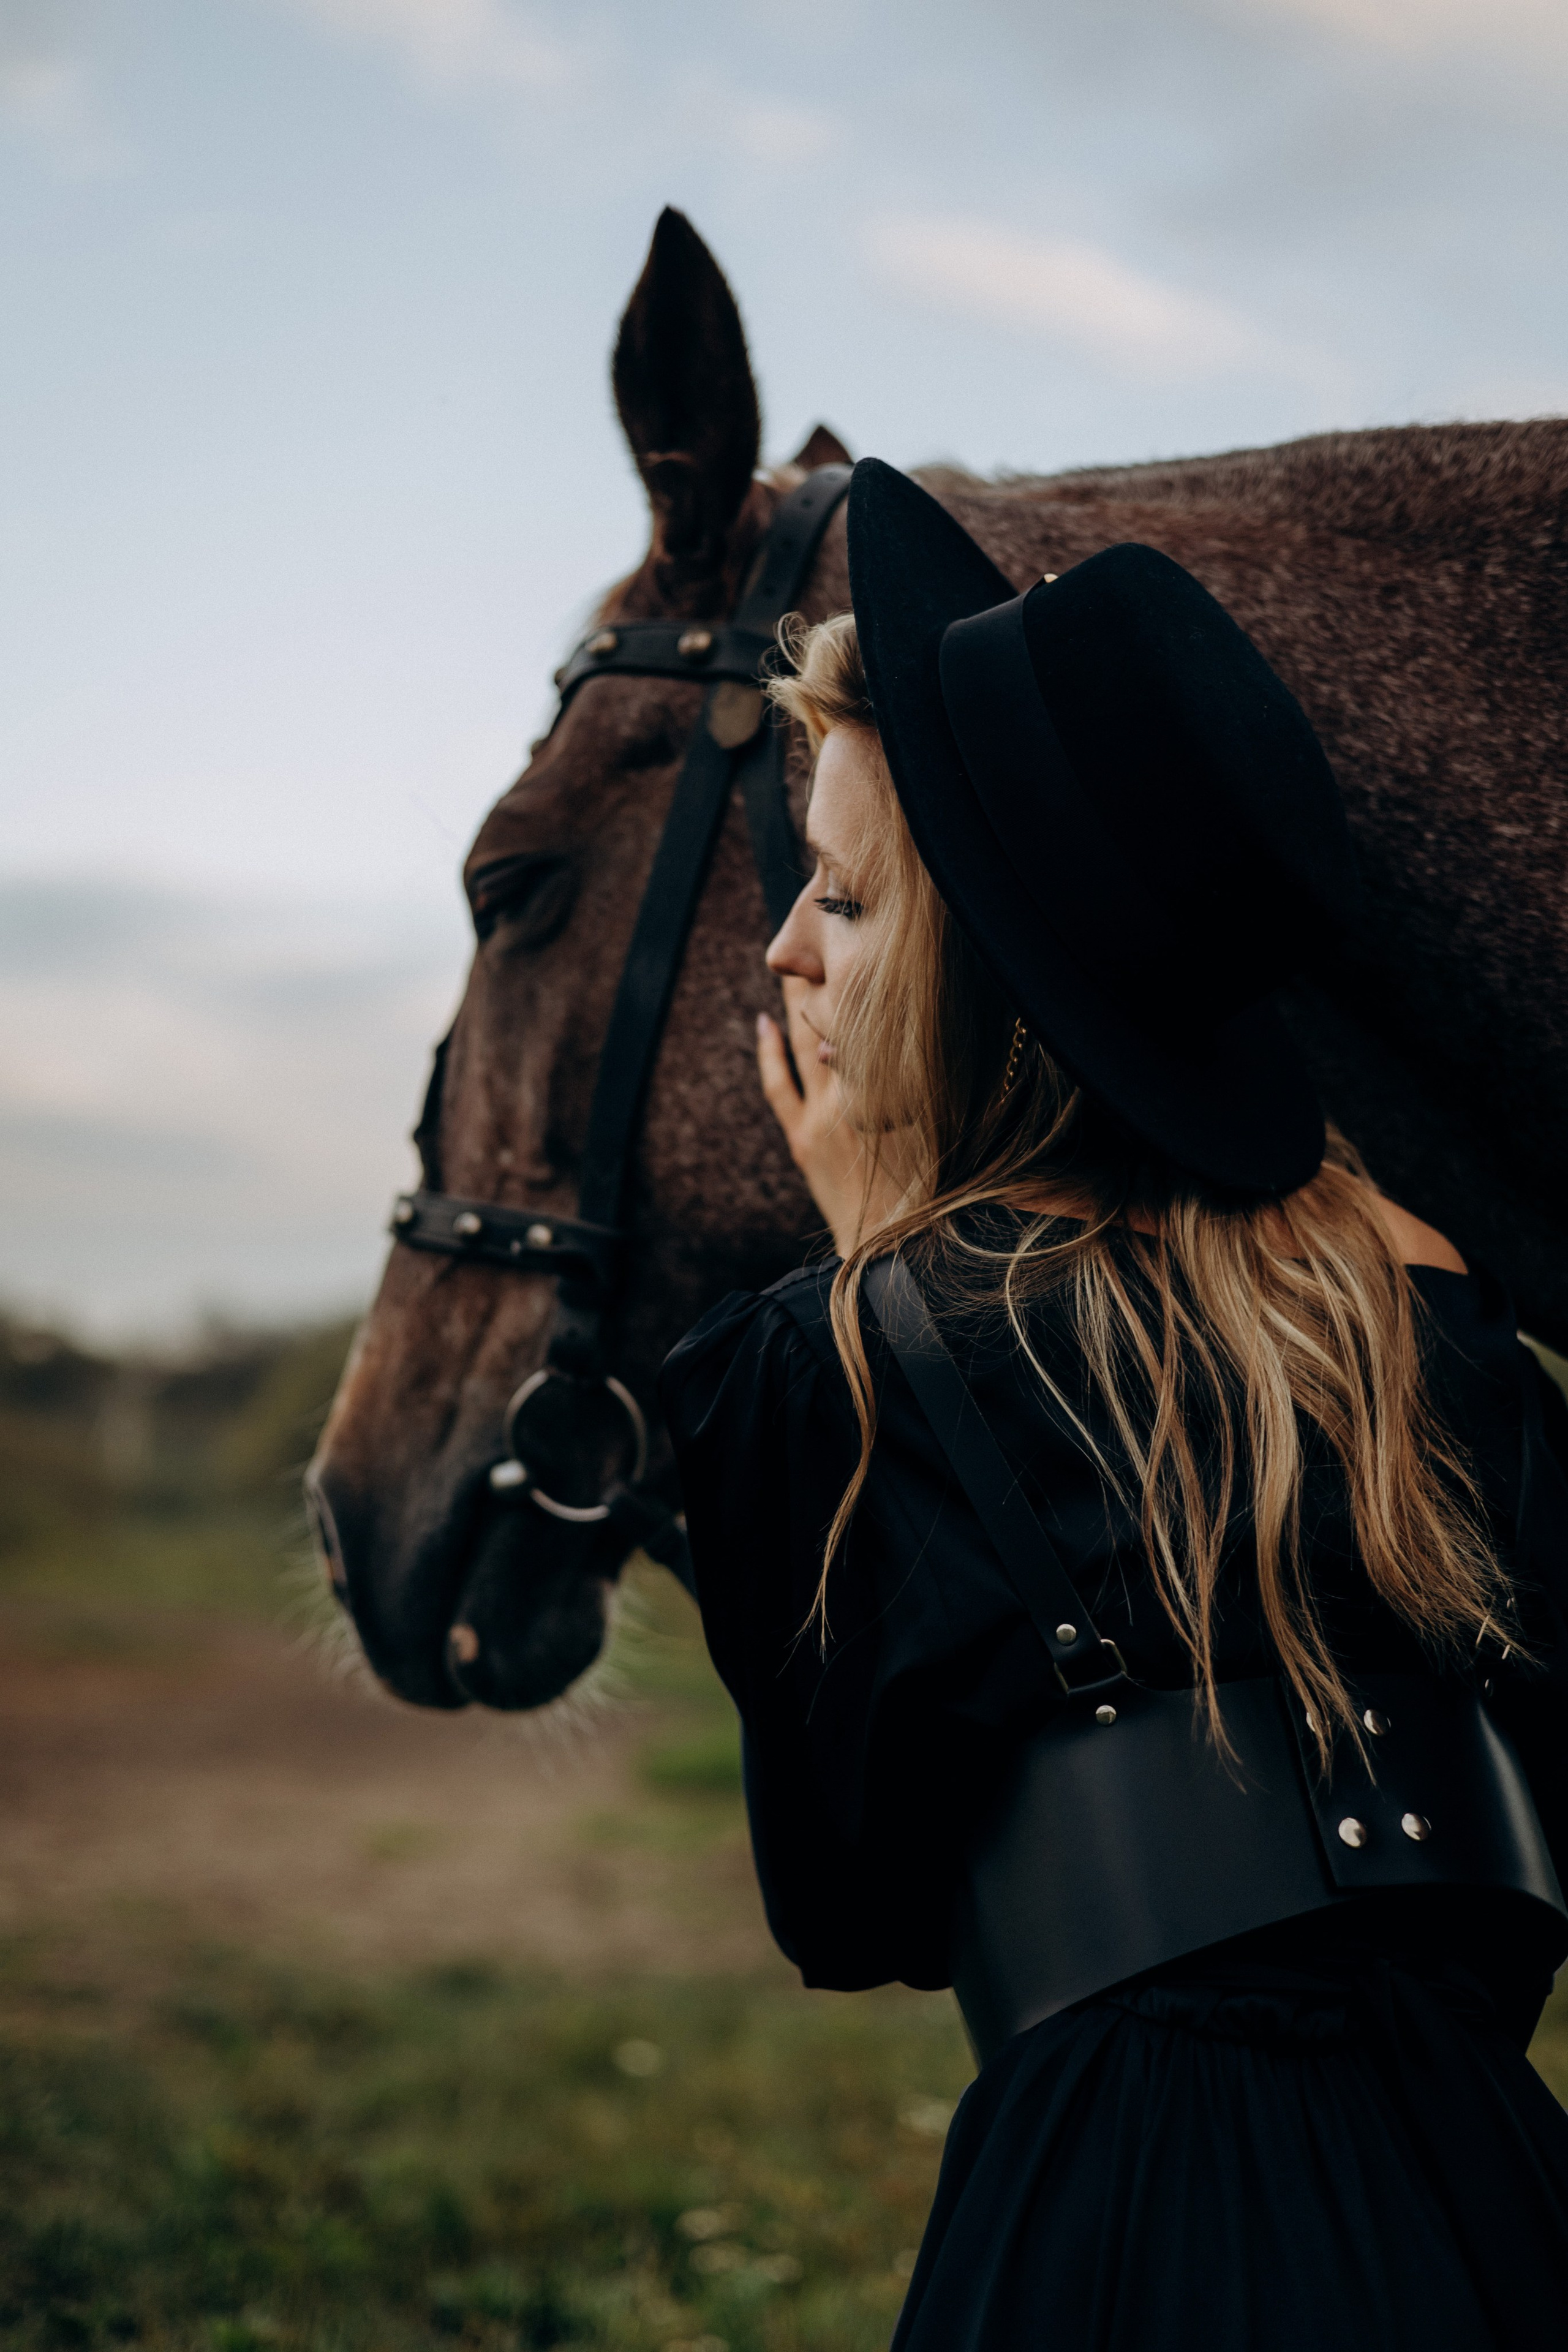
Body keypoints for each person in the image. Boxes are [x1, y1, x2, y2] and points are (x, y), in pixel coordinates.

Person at [658, 458, 1568, 2349]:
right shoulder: (1461, 1352)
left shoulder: (803, 1376)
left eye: (842, 895)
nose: (782, 955)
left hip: (1115, 2225)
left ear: (999, 979)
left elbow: (861, 1913)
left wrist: (868, 1296)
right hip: (1500, 2203)